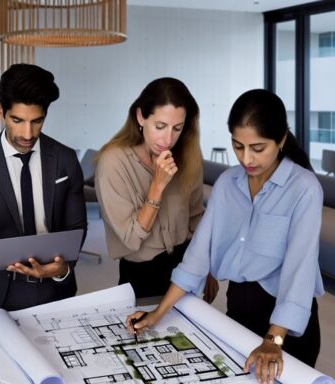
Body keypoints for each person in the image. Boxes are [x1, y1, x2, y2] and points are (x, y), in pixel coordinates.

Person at [128, 89, 323, 384]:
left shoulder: (304, 188)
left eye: (258, 148)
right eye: (238, 146)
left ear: (281, 139)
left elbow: (300, 270)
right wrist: (158, 313)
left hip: (285, 323)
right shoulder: (227, 184)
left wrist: (274, 340)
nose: (247, 158)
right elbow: (197, 257)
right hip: (239, 308)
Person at [0, 63, 87, 315]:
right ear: (0, 110)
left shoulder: (66, 160)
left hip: (57, 289)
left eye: (37, 121)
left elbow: (76, 228)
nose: (28, 133)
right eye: (18, 120)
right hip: (2, 295)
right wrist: (1, 254)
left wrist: (61, 269)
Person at [95, 77, 217, 300]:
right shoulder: (113, 162)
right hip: (141, 273)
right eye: (160, 126)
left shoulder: (189, 155)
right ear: (141, 116)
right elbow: (131, 239)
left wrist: (207, 266)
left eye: (177, 128)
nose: (168, 139)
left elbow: (195, 216)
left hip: (186, 266)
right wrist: (157, 186)